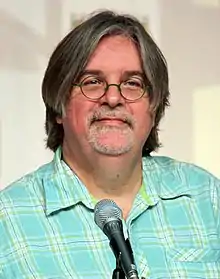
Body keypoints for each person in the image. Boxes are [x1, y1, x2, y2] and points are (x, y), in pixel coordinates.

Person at [0, 10, 219, 279]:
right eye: (92, 82)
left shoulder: (206, 196)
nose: (113, 98)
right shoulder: (7, 219)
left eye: (132, 83)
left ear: (154, 107)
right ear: (58, 106)